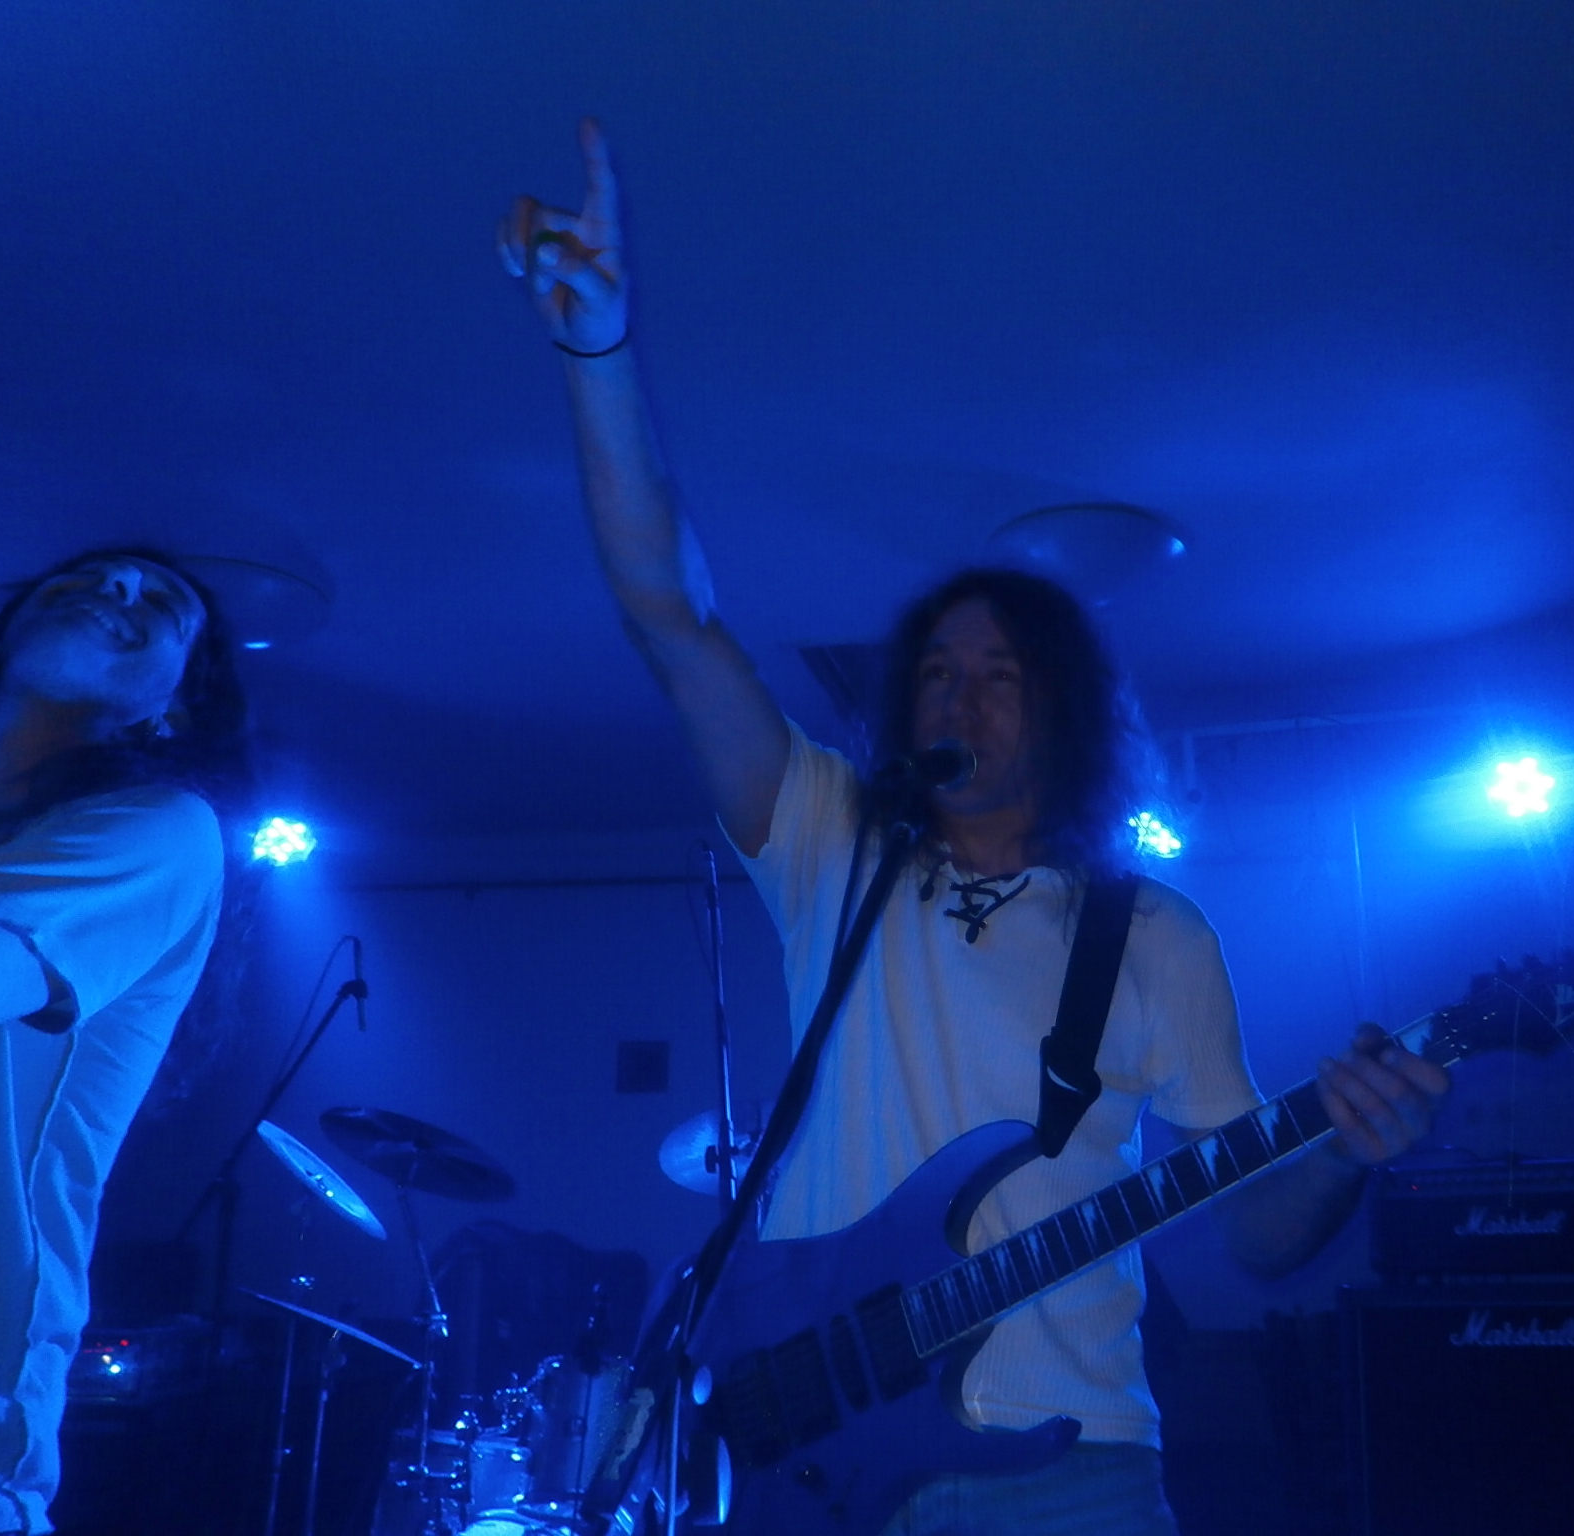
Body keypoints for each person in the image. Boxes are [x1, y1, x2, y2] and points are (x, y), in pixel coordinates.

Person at [502, 124, 1448, 1535]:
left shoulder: (1153, 935)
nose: (960, 694)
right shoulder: (830, 837)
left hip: (1072, 1469)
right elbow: (670, 616)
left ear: (1065, 714)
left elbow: (1255, 1233)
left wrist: (1339, 1152)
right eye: (938, 671)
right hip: (811, 1461)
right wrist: (599, 353)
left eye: (1002, 674)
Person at [0, 550, 252, 1536]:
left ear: (172, 708)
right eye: (86, 576)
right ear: (3, 636)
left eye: (163, 602)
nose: (118, 589)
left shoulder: (159, 833)